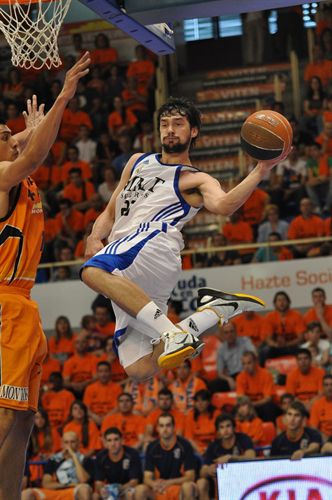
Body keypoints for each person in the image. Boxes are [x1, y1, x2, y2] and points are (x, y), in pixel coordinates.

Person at [81, 96, 278, 382]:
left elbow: (224, 206)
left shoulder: (195, 178)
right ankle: (215, 311)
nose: (169, 130)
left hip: (153, 243)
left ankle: (172, 332)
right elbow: (112, 208)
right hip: (126, 254)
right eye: (164, 124)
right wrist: (94, 236)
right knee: (138, 368)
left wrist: (261, 170)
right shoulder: (138, 162)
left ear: (193, 131)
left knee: (92, 271)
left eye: (178, 124)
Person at [0, 52, 90, 500]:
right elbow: (33, 154)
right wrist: (63, 98)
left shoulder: (12, 167)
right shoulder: (1, 175)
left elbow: (28, 143)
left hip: (23, 302)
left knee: (23, 419)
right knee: (2, 414)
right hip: (4, 304)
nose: (12, 135)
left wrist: (33, 128)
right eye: (5, 135)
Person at [135, 414, 197, 500]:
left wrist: (168, 483)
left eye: (168, 425)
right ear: (157, 428)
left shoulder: (185, 445)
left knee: (188, 487)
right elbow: (147, 477)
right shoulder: (151, 447)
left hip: (178, 487)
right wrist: (154, 484)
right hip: (159, 488)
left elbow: (191, 476)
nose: (165, 429)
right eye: (161, 426)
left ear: (174, 427)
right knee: (140, 489)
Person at [197, 413, 255, 500]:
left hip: (242, 477)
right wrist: (209, 470)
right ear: (218, 431)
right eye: (222, 427)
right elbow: (202, 471)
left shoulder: (243, 439)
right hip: (218, 481)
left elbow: (252, 457)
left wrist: (231, 458)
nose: (225, 430)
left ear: (234, 428)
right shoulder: (213, 446)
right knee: (201, 482)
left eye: (228, 426)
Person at [21, 431, 93, 500]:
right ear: (62, 444)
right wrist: (69, 485)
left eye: (72, 442)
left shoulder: (85, 459)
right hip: (56, 492)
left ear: (78, 443)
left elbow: (83, 480)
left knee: (84, 489)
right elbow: (46, 484)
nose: (69, 445)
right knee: (27, 493)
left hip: (74, 491)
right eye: (66, 442)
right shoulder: (53, 460)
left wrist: (74, 457)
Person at [94, 427, 142, 500]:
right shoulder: (100, 456)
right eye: (109, 440)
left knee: (130, 494)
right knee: (95, 496)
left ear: (122, 440)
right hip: (110, 489)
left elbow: (134, 482)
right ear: (105, 443)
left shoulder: (132, 454)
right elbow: (98, 482)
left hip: (127, 488)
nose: (113, 444)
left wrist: (118, 489)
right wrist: (103, 490)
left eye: (116, 439)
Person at [236, 351, 278, 422]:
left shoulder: (266, 374)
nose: (246, 366)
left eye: (249, 363)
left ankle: (270, 430)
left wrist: (252, 404)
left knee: (268, 407)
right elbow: (241, 398)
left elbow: (268, 399)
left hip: (263, 405)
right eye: (244, 364)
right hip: (250, 406)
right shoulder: (240, 377)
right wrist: (247, 406)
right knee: (237, 409)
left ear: (256, 362)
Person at [83, 360, 122, 426]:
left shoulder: (117, 388)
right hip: (94, 419)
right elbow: (86, 408)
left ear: (110, 372)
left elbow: (118, 407)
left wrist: (105, 418)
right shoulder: (90, 388)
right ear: (97, 373)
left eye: (106, 371)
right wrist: (95, 417)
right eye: (100, 371)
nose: (103, 374)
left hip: (111, 419)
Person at [310, 374, 332, 440]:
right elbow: (313, 428)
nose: (329, 388)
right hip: (324, 439)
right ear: (323, 387)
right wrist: (325, 439)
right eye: (326, 385)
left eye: (331, 384)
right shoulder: (317, 404)